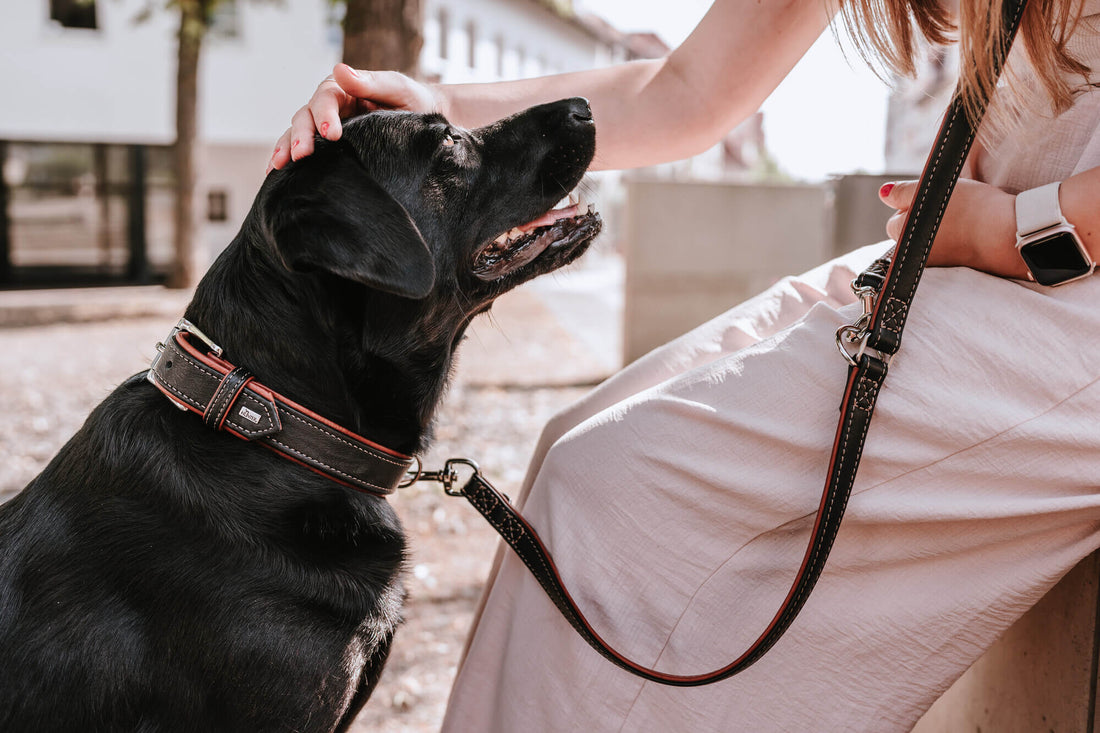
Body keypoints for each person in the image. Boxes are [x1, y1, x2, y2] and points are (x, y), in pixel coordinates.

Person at [277, 0, 1100, 729]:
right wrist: (442, 108)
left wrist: (1024, 229)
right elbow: (689, 88)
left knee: (620, 489)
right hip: (967, 253)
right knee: (574, 450)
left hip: (1063, 287)